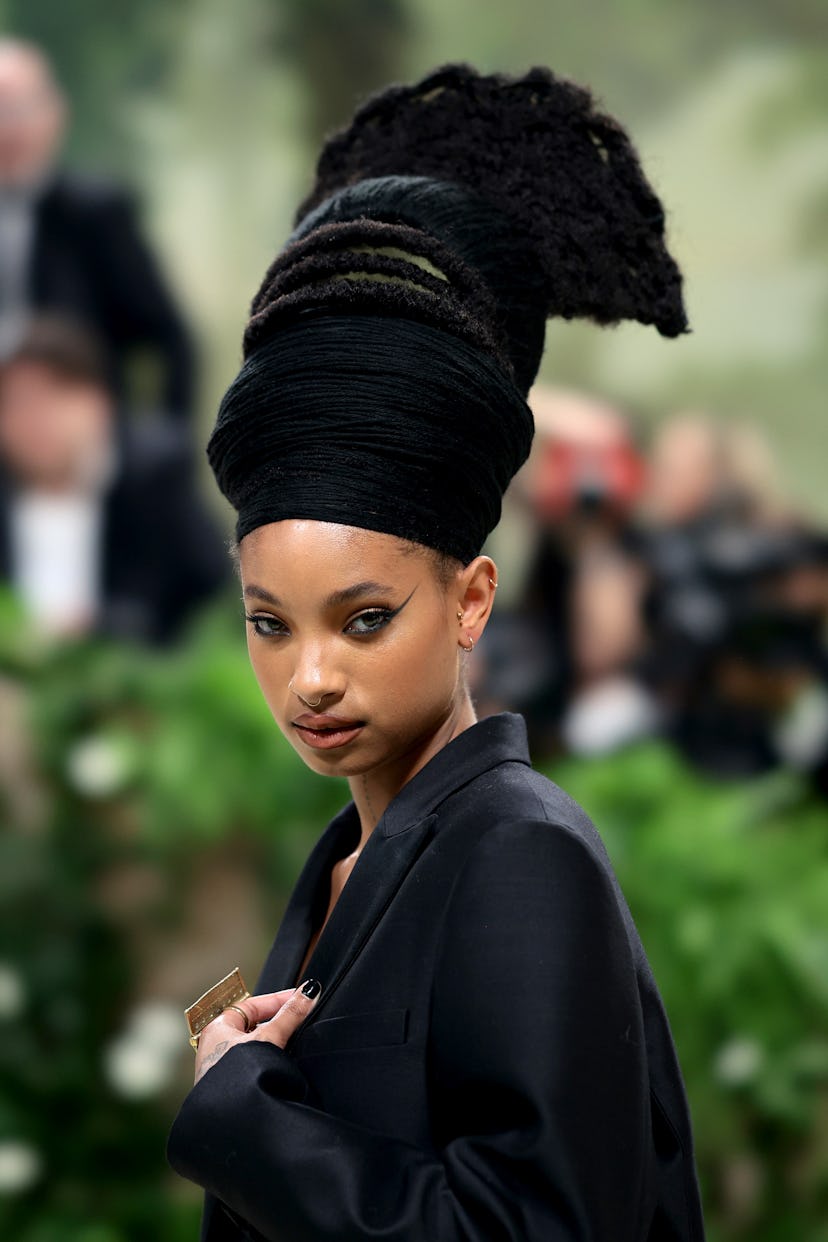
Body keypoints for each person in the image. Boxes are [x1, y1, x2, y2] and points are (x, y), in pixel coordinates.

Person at [167, 65, 705, 1240]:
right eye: (271, 622)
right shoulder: (354, 864)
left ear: (470, 601)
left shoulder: (519, 857)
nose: (311, 677)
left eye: (365, 619)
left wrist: (241, 1110)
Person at [0, 38, 194, 422]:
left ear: (55, 114)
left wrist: (163, 448)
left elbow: (170, 338)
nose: (8, 129)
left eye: (20, 111)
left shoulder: (98, 215)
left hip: (81, 436)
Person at [0, 316, 227, 642]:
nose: (35, 421)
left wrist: (100, 627)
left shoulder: (154, 477)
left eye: (54, 399)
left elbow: (209, 594)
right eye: (16, 405)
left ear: (100, 403)